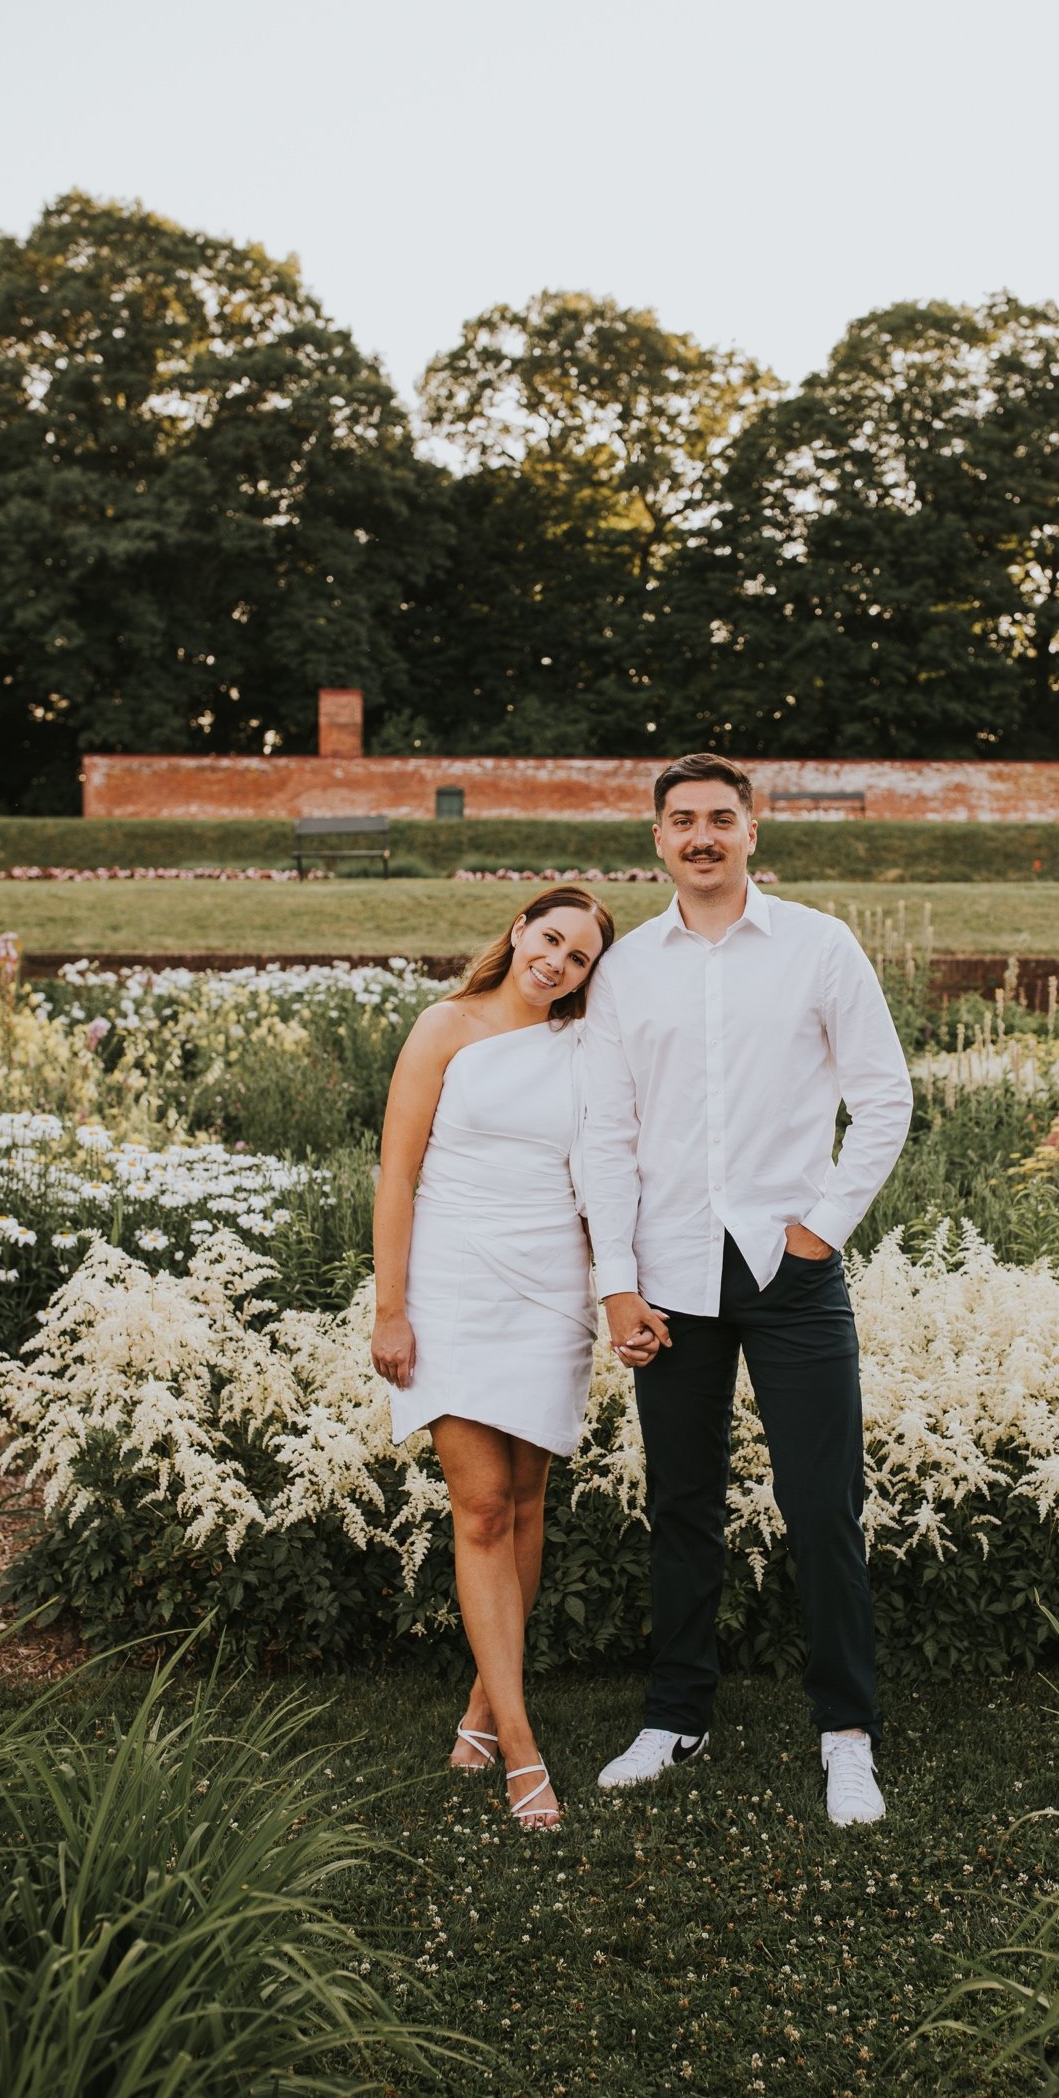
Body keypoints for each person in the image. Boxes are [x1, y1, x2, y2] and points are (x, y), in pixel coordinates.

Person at [581, 755, 913, 1826]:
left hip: (791, 1267)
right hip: (669, 1276)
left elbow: (885, 1097)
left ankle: (846, 1733)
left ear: (754, 831)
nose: (703, 836)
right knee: (682, 1503)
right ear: (658, 840)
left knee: (824, 1507)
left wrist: (821, 1229)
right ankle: (677, 1712)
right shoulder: (628, 968)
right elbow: (606, 1131)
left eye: (722, 818)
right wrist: (617, 1286)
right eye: (683, 821)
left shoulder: (819, 945)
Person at [371, 884, 624, 1832]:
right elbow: (396, 1173)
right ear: (519, 930)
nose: (555, 962)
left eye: (579, 957)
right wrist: (391, 1308)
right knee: (478, 1505)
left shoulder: (585, 1049)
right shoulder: (445, 1026)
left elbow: (602, 1171)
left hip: (551, 1282)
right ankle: (523, 1750)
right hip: (453, 1281)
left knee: (524, 1503)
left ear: (589, 977)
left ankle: (484, 1703)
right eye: (548, 939)